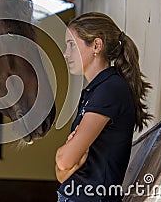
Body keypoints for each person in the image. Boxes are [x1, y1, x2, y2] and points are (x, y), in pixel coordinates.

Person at [55, 12, 152, 202]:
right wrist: (68, 158)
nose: (66, 53)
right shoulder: (94, 90)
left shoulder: (110, 89)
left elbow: (63, 161)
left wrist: (66, 155)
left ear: (96, 46)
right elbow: (61, 174)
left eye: (72, 45)